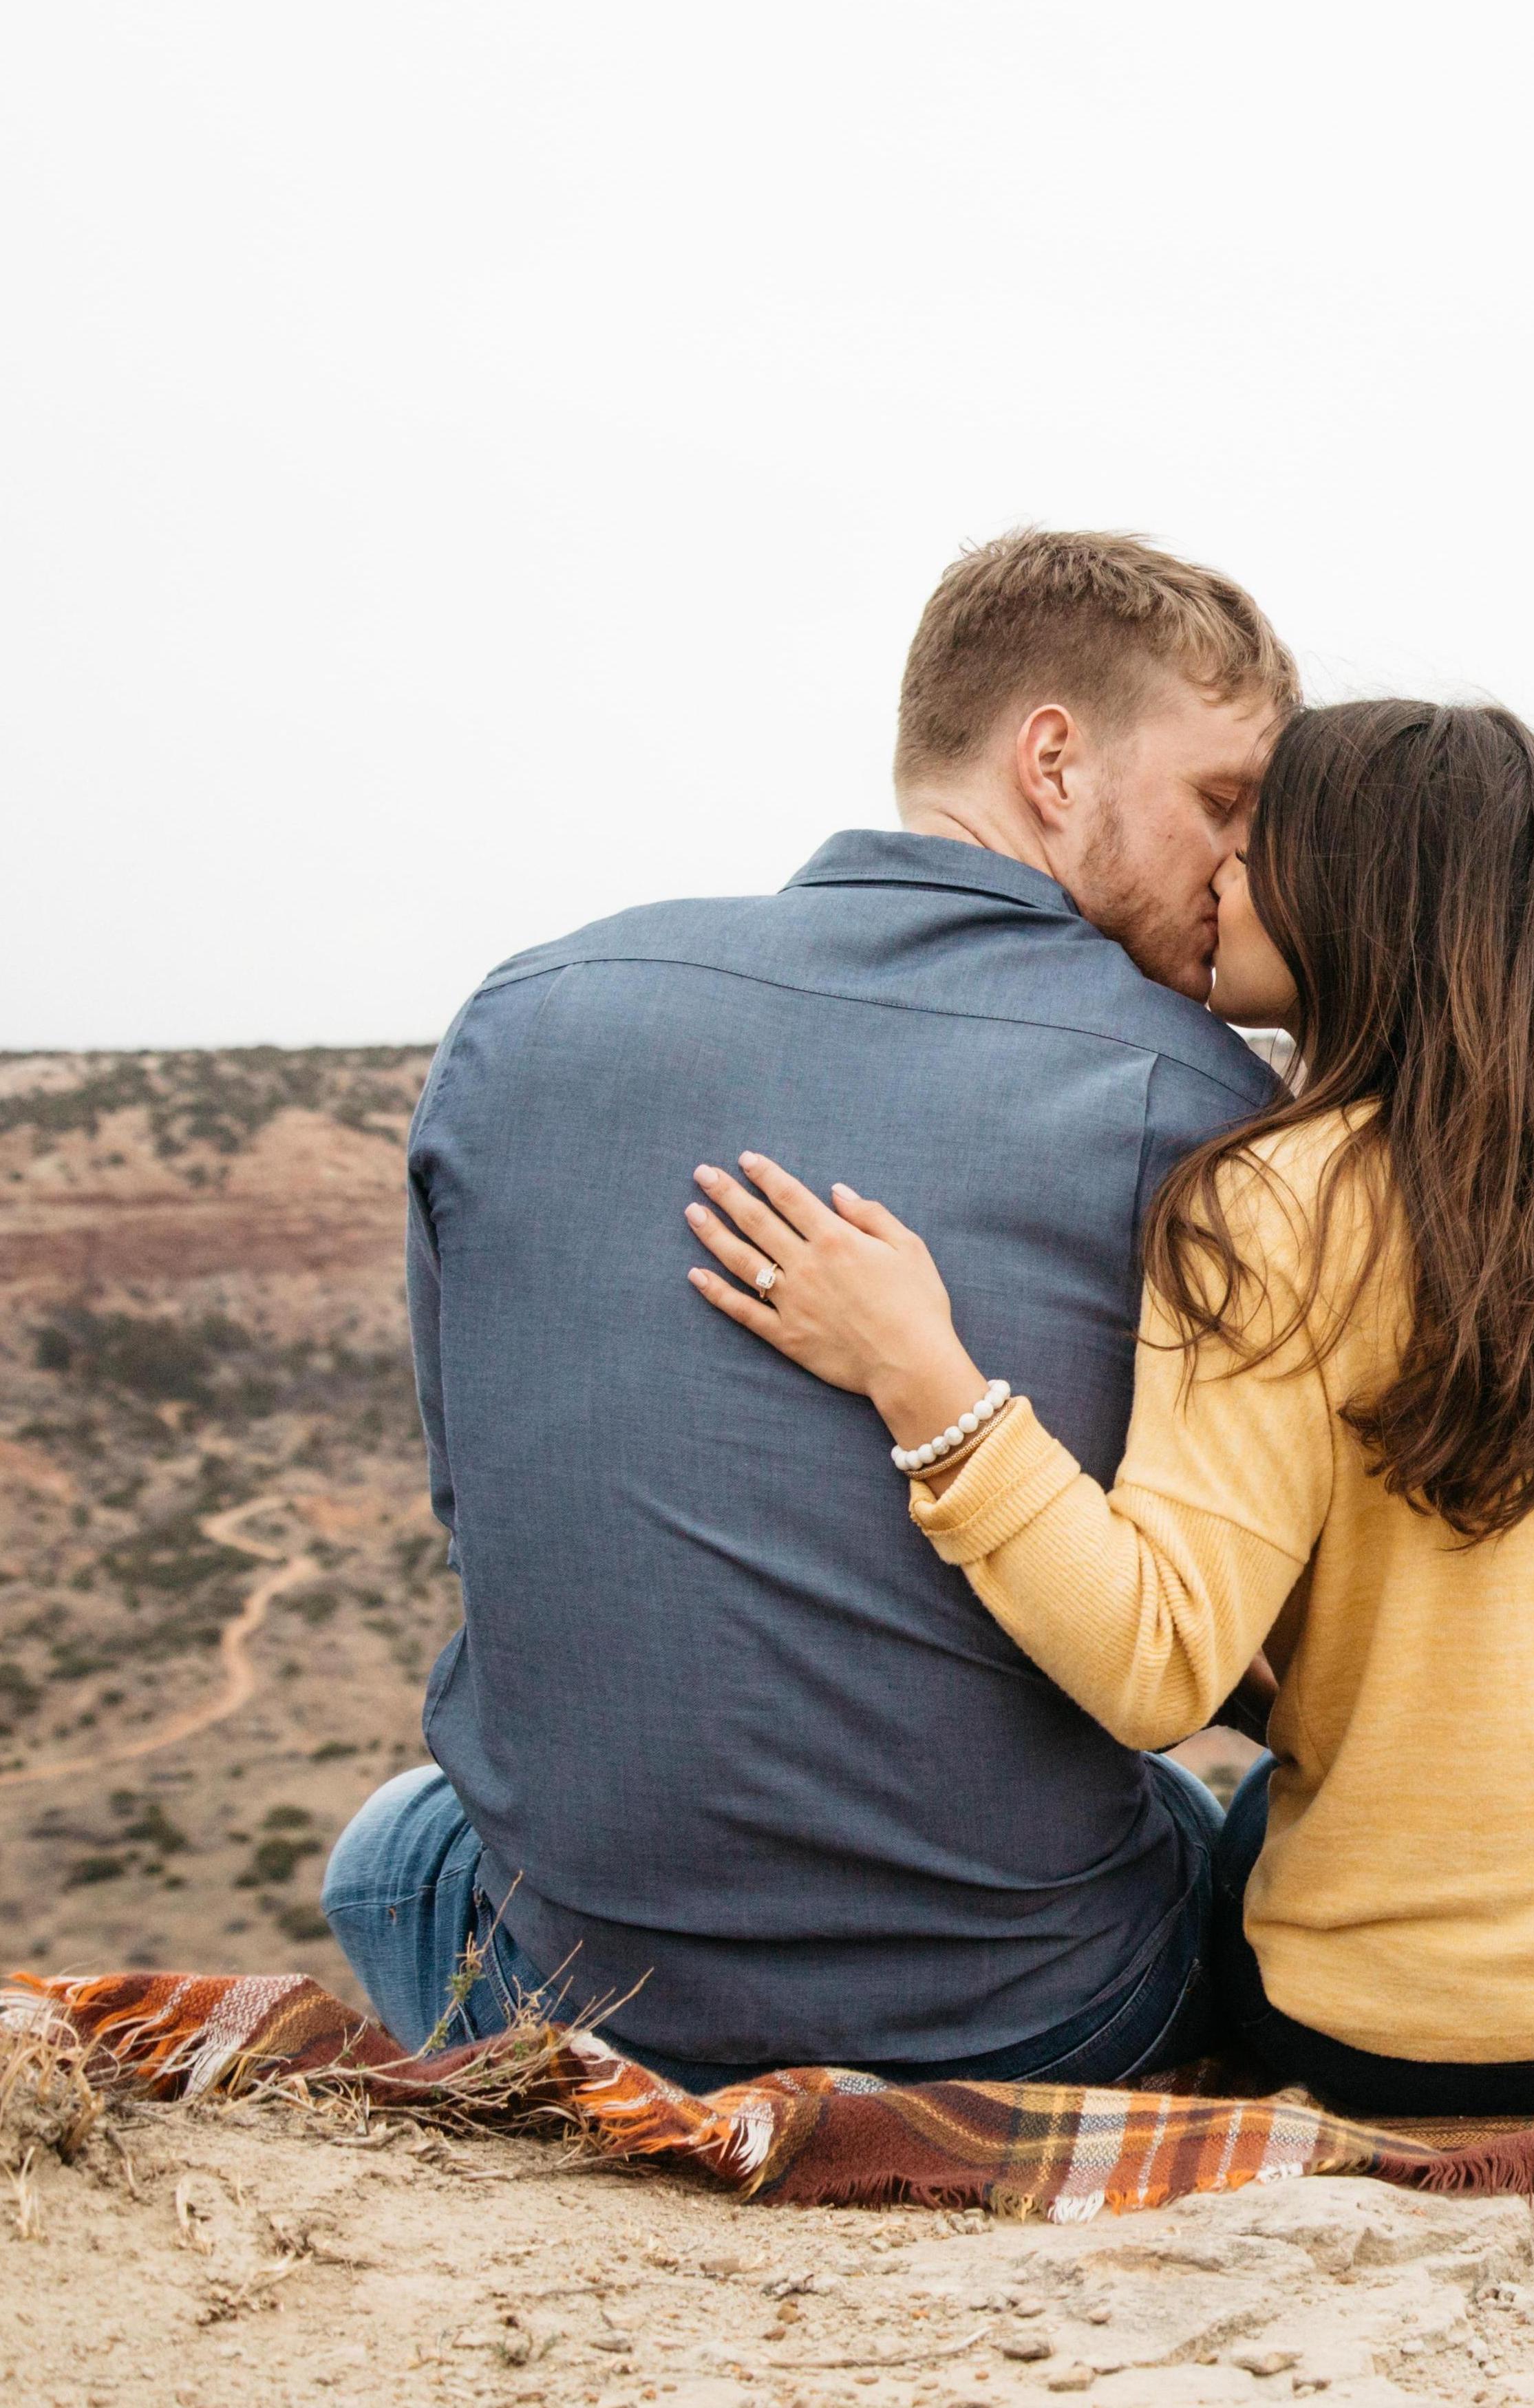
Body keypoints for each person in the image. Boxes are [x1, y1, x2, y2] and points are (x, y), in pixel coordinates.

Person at [684, 699, 1534, 2117]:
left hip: (1438, 2034)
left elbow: (1157, 1672)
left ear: (1352, 898)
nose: (1222, 877)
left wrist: (924, 1378)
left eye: (1256, 849)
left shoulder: (1270, 1205)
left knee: (1201, 1829)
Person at [321, 530, 1299, 2091]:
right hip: (1029, 2026)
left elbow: (479, 1509)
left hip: (576, 1996)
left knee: (388, 1847)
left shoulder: (521, 1017)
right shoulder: (1198, 1106)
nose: (1241, 871)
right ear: (1053, 758)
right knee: (1225, 1828)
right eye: (1223, 805)